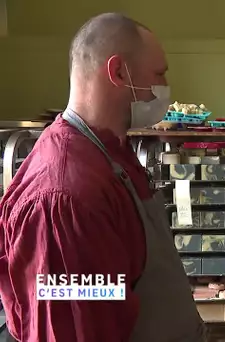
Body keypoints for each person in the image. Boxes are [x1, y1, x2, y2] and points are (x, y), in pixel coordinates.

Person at [0, 13, 205, 341]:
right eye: (159, 75)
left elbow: (113, 288)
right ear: (119, 72)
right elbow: (72, 325)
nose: (165, 89)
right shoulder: (65, 196)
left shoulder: (113, 154)